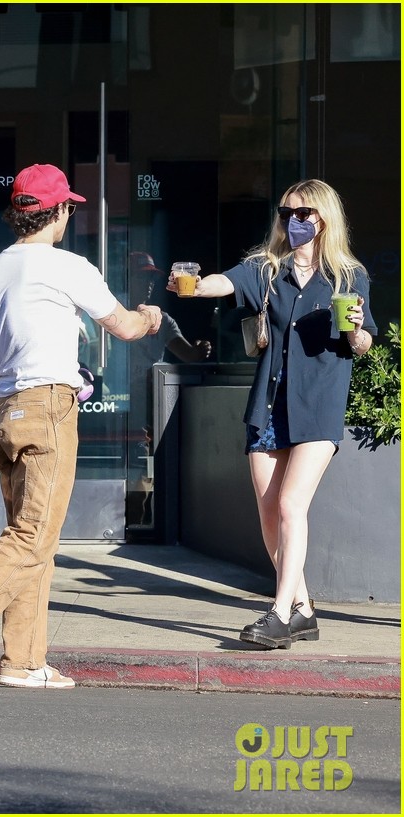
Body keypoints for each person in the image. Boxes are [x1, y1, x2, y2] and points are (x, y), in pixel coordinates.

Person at [0, 163, 162, 688]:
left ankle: (24, 662)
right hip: (49, 408)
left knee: (34, 536)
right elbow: (123, 327)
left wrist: (25, 369)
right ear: (60, 212)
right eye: (69, 207)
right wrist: (151, 316)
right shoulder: (67, 266)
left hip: (7, 410)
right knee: (33, 535)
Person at [166, 179, 375, 649]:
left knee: (289, 505)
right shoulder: (267, 268)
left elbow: (363, 344)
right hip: (268, 404)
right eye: (286, 214)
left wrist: (357, 331)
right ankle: (302, 607)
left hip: (318, 403)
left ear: (323, 219)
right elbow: (225, 282)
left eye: (302, 215)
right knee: (267, 514)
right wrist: (195, 287)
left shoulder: (348, 277)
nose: (292, 222)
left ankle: (280, 613)